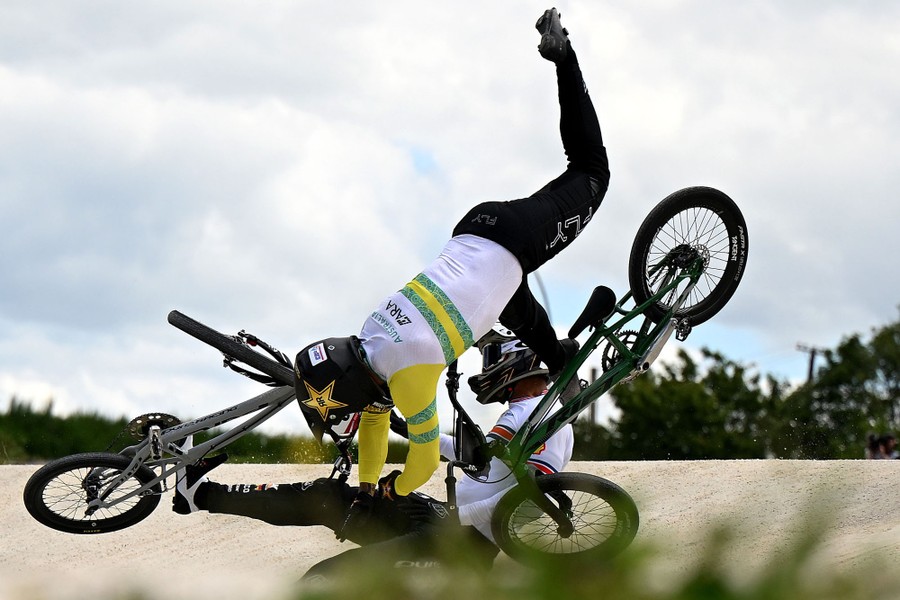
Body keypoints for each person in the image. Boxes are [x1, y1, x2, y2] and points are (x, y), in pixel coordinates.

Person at [293, 7, 607, 504]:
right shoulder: (372, 337)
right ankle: (558, 362)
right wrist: (368, 483)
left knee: (590, 171)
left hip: (512, 243)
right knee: (523, 316)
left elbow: (421, 461)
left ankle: (562, 56)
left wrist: (390, 493)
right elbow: (375, 422)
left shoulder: (410, 383)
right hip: (474, 243)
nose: (351, 419)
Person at [173, 338, 574, 581]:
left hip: (459, 545)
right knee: (326, 496)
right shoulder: (528, 413)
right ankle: (199, 495)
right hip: (437, 518)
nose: (487, 373)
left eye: (493, 362)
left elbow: (527, 504)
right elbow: (478, 458)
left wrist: (457, 518)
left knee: (326, 578)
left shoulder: (547, 421)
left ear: (516, 364)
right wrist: (407, 428)